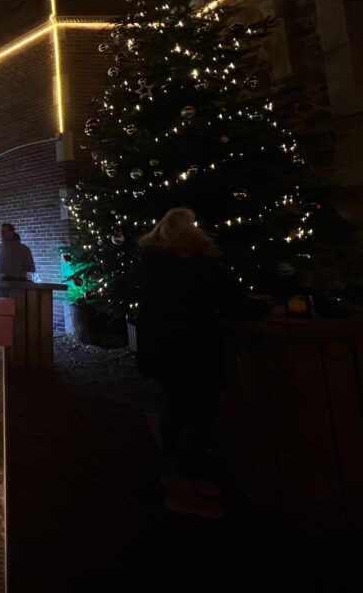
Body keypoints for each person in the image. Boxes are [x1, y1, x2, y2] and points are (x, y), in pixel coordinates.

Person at [135, 207, 225, 519]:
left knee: (176, 406)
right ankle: (183, 487)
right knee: (199, 415)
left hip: (162, 350)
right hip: (191, 350)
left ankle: (175, 473)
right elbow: (221, 297)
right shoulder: (194, 265)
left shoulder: (153, 262)